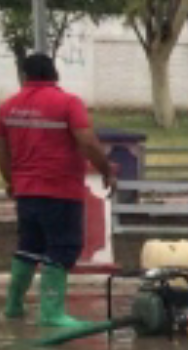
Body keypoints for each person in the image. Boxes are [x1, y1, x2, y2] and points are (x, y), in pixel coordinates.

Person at [0, 53, 116, 329]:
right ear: (54, 74)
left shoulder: (8, 107)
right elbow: (86, 141)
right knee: (62, 247)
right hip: (60, 189)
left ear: (25, 76)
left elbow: (2, 150)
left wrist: (11, 181)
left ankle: (13, 306)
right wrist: (106, 170)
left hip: (27, 190)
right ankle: (51, 313)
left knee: (29, 245)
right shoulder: (68, 103)